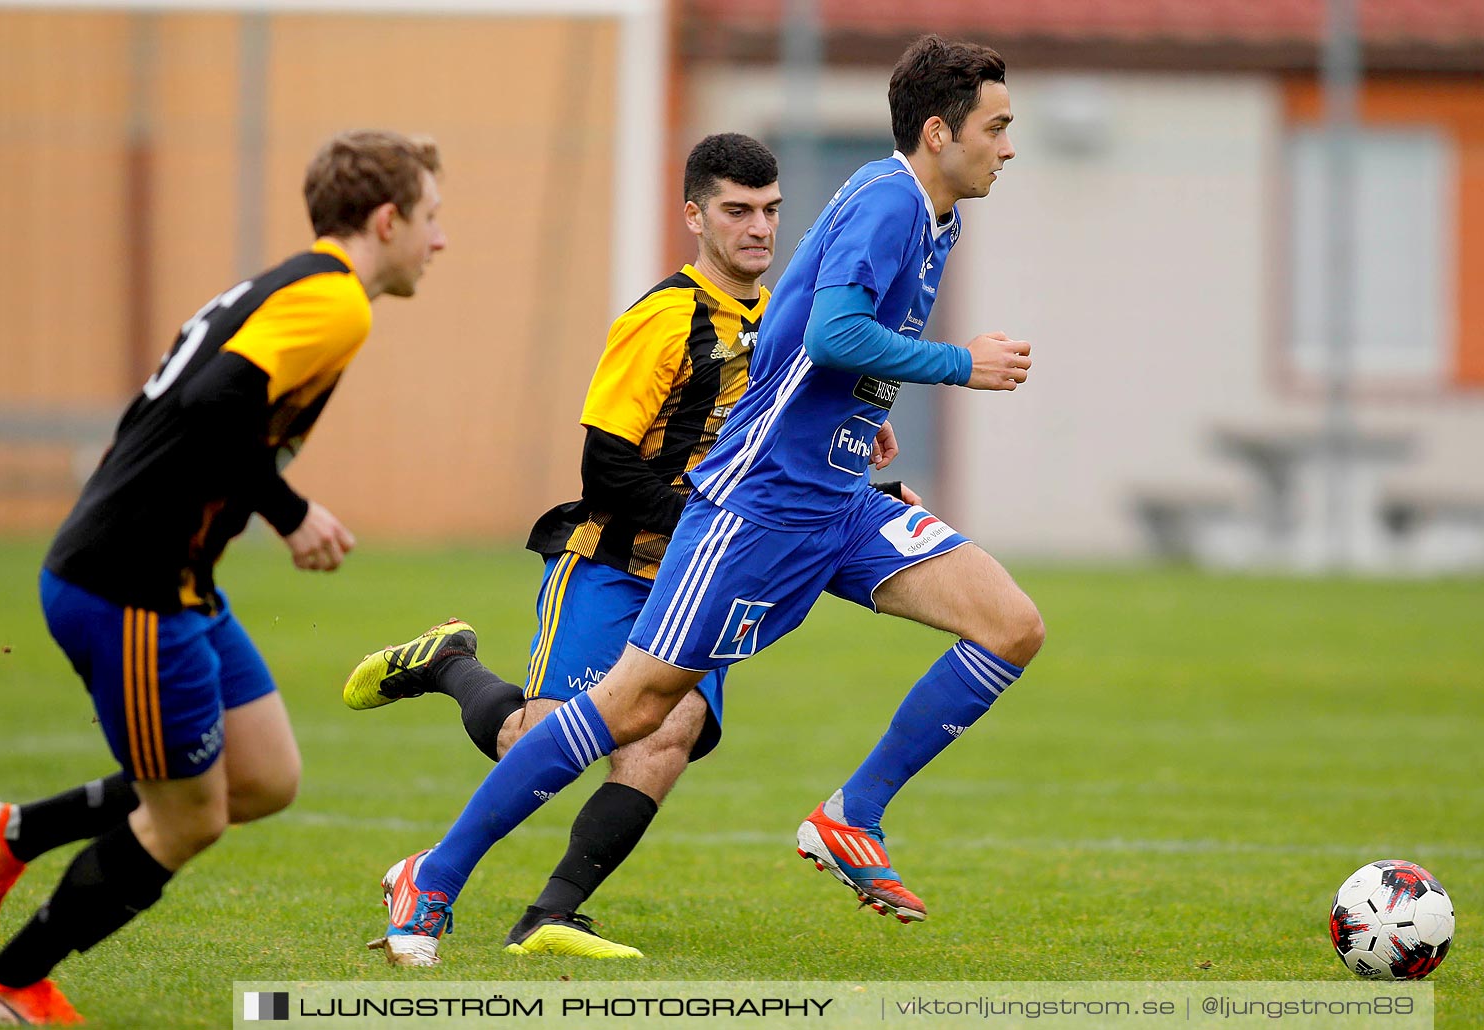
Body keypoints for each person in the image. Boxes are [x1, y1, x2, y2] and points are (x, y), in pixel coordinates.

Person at [374, 34, 1037, 969]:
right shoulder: (889, 203)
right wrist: (959, 366)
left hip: (840, 501)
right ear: (940, 131)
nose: (1009, 147)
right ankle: (431, 877)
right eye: (997, 127)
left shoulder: (929, 214)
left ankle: (852, 816)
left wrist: (861, 415)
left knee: (1010, 624)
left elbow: (797, 333)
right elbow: (839, 329)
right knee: (635, 710)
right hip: (758, 510)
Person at [0, 129, 447, 1025]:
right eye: (432, 219)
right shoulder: (337, 305)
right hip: (129, 584)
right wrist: (292, 515)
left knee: (263, 778)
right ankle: (9, 982)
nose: (439, 242)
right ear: (386, 218)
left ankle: (15, 833)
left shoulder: (295, 284)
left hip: (169, 577)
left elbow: (186, 410)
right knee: (188, 819)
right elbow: (212, 406)